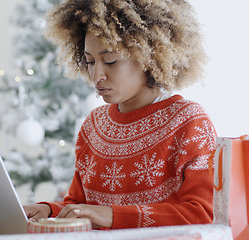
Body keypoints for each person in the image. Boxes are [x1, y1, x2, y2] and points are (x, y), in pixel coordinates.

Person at [23, 0, 216, 230]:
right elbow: (79, 204)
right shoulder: (94, 125)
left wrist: (113, 216)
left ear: (148, 56)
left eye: (111, 61)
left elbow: (203, 213)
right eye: (90, 61)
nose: (96, 76)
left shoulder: (189, 122)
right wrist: (49, 210)